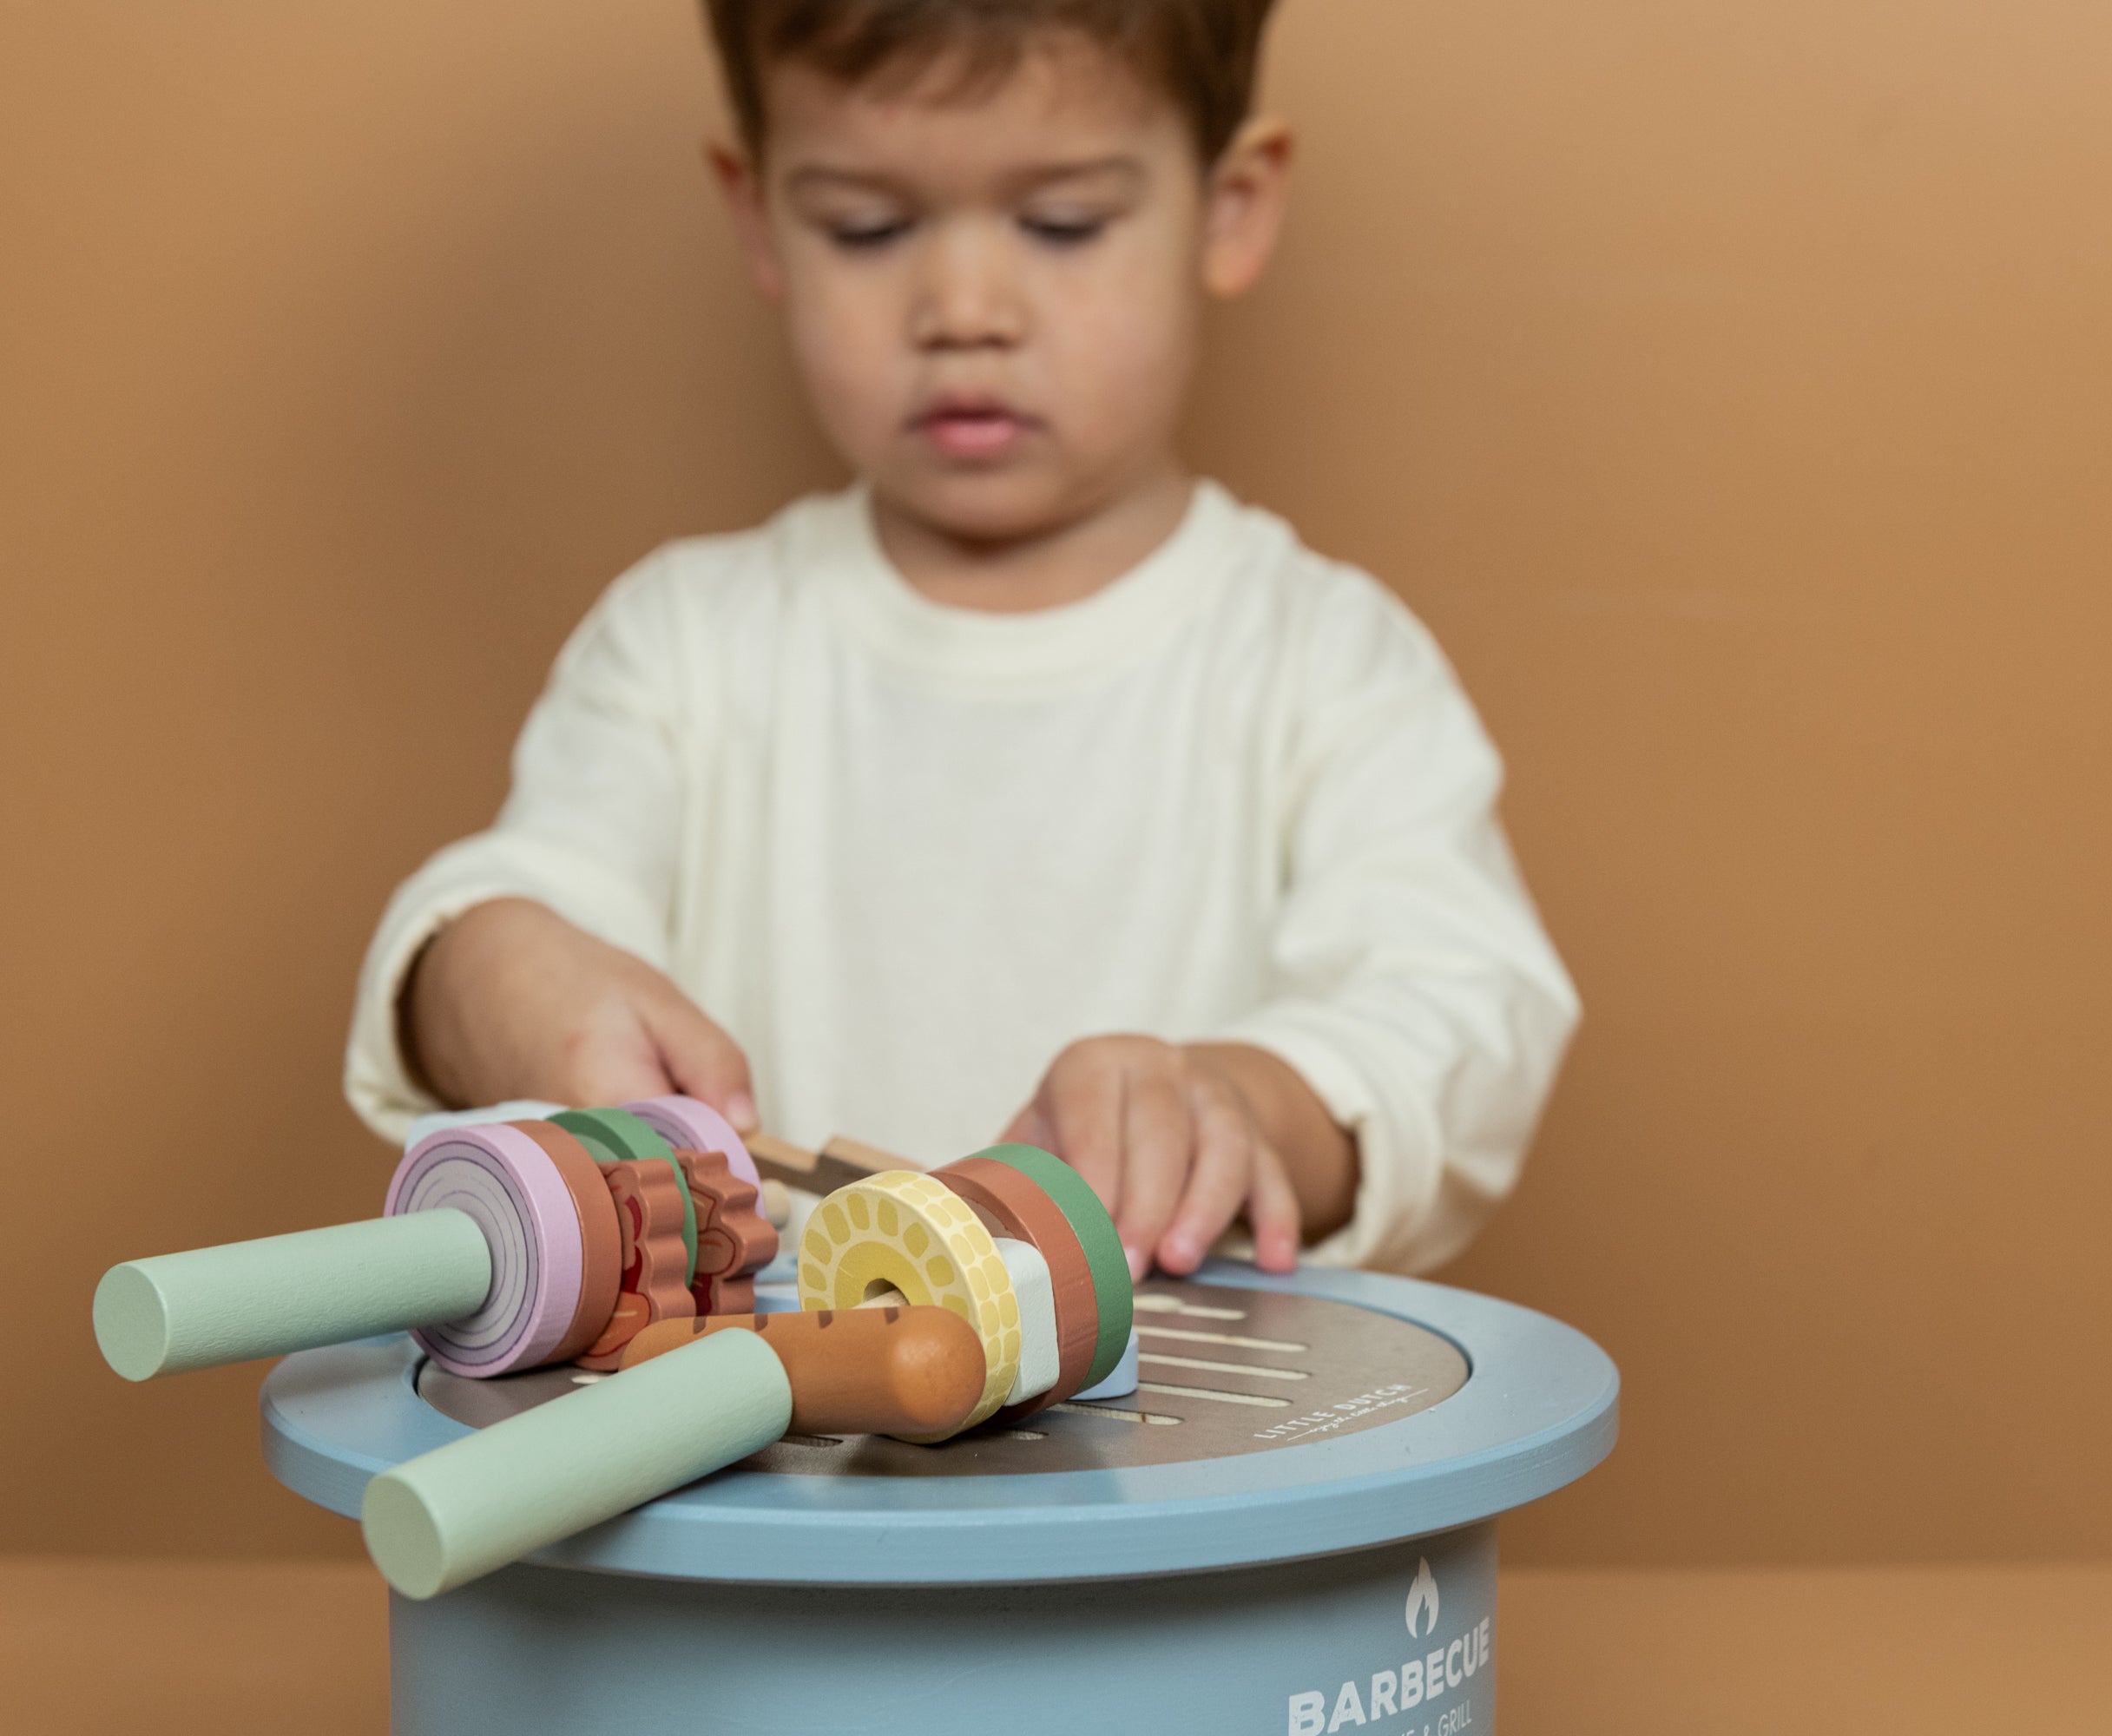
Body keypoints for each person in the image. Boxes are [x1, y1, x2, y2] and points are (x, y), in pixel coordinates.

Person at [345, 0, 1575, 1280]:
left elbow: (1455, 1008)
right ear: (759, 214)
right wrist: (493, 973)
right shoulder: (685, 646)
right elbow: (525, 899)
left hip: (1202, 1472)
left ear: (1230, 206)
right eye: (868, 228)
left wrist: (1248, 1105)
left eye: (1063, 224)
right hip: (763, 1464)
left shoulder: (1325, 663)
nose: (964, 308)